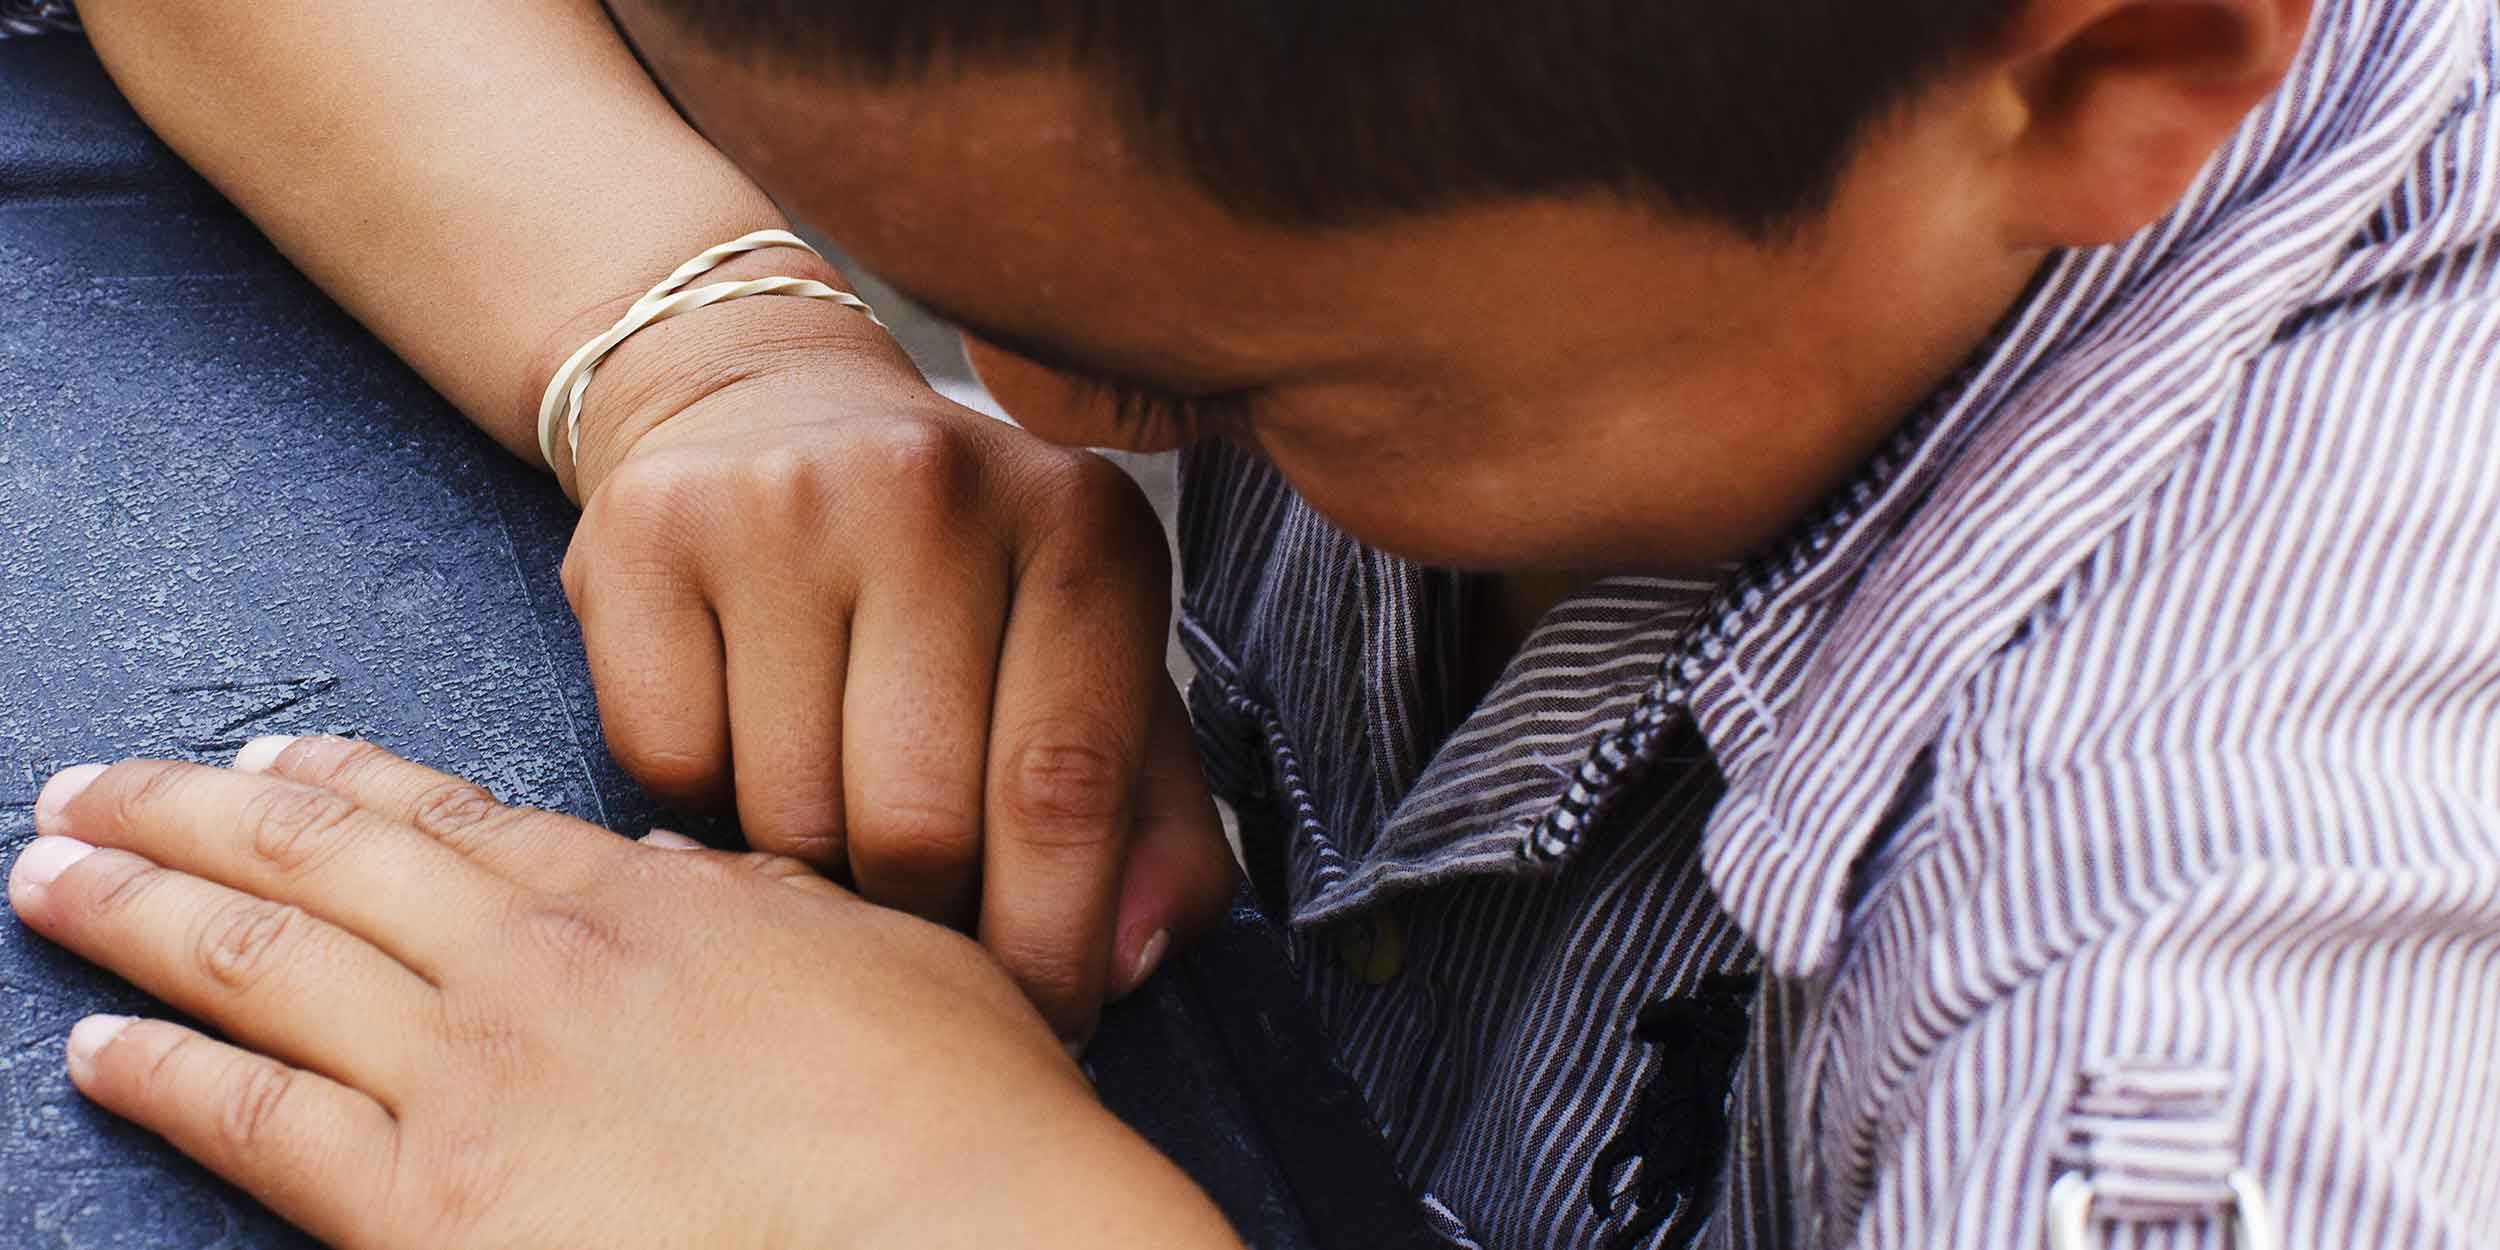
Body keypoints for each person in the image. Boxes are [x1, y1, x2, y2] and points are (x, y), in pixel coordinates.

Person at [9, 0, 2499, 1246]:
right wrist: (717, 338)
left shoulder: (2218, 992)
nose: (1042, 426)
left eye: (1230, 379)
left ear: (2112, 74)